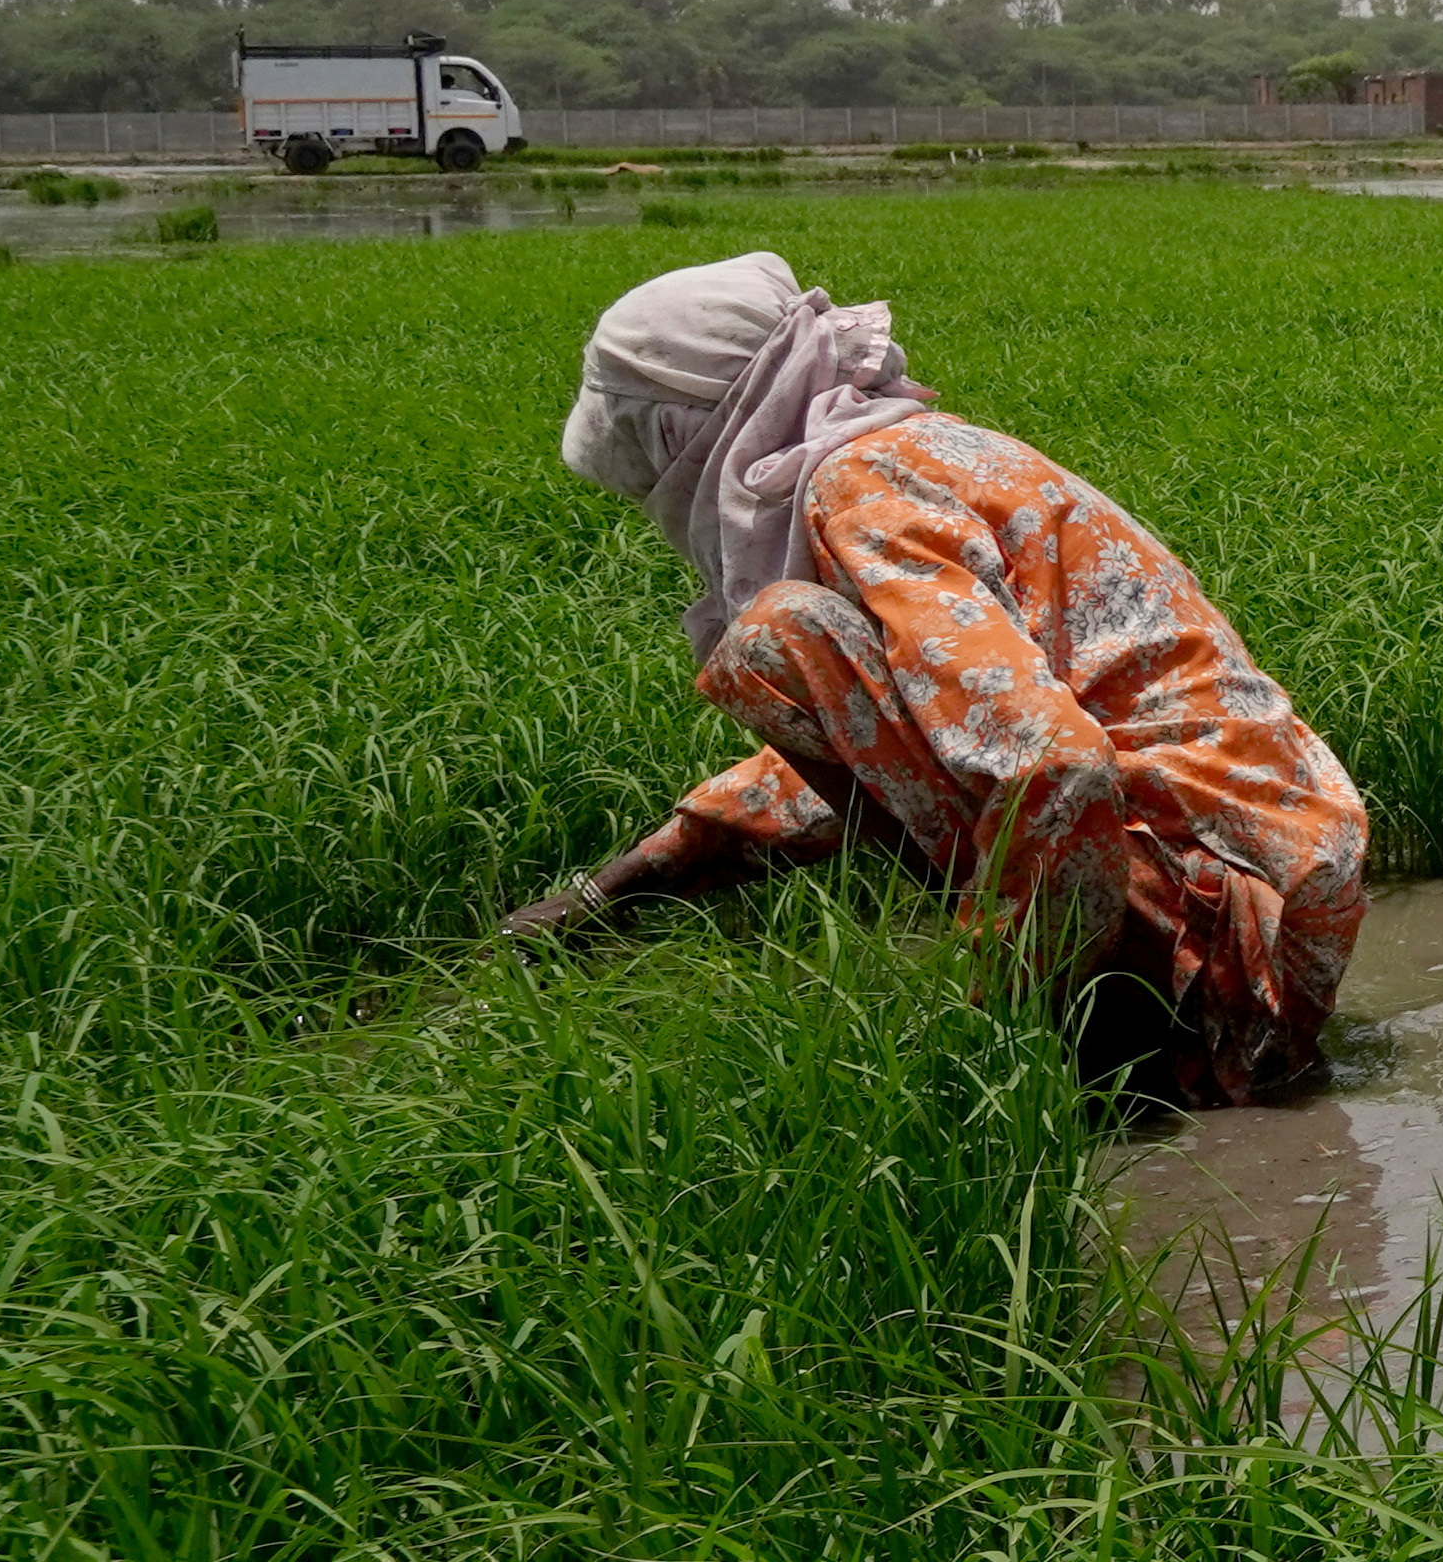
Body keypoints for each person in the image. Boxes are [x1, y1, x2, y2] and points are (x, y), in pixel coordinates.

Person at [516, 249, 1368, 1105]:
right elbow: (901, 731)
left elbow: (1051, 764)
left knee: (781, 636)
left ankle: (1100, 1033)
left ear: (684, 432)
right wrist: (623, 884)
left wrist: (984, 1039)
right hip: (1276, 885)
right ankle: (1119, 1028)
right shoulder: (912, 453)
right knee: (814, 649)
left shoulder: (862, 488)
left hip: (1220, 918)